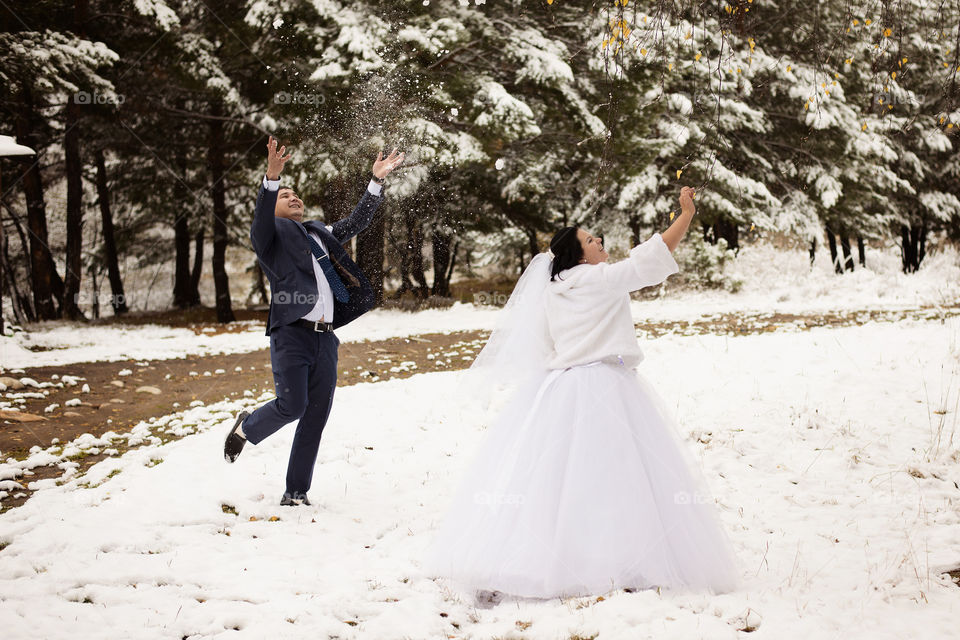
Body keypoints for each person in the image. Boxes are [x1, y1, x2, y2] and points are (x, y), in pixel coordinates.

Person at [423, 186, 740, 600]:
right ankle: (618, 558)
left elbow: (540, 344)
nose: (600, 241)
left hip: (563, 389)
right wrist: (686, 214)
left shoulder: (551, 291)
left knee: (556, 480)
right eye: (592, 240)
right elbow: (651, 258)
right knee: (617, 475)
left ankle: (545, 555)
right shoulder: (601, 279)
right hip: (607, 386)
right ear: (579, 255)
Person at [223, 136, 404, 506]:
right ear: (271, 208)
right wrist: (271, 179)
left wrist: (376, 181)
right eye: (284, 195)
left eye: (296, 194)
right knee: (292, 406)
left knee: (315, 417)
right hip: (291, 335)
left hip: (325, 340)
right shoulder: (270, 236)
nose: (294, 198)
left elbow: (357, 221)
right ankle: (248, 426)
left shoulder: (319, 231)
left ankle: (295, 492)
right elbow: (261, 218)